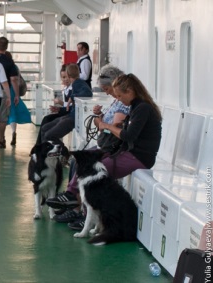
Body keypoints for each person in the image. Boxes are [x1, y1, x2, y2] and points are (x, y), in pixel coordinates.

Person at [48, 73, 162, 230]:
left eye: (120, 95)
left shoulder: (143, 108)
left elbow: (129, 135)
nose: (119, 99)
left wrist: (107, 126)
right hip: (128, 151)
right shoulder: (136, 106)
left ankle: (84, 212)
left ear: (130, 91)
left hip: (140, 157)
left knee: (95, 170)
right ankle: (75, 201)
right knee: (85, 160)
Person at [49, 65, 130, 223]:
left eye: (107, 88)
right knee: (75, 161)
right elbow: (104, 125)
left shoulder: (122, 104)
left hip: (111, 149)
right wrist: (98, 115)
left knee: (83, 163)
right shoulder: (116, 102)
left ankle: (75, 203)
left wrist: (100, 122)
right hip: (105, 145)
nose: (106, 92)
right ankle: (73, 204)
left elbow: (115, 129)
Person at [40, 64, 92, 143]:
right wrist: (60, 109)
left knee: (48, 135)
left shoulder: (78, 83)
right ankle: (43, 150)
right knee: (44, 128)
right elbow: (73, 107)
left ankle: (60, 150)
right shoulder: (77, 83)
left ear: (68, 75)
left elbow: (88, 93)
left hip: (73, 119)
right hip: (70, 115)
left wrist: (72, 97)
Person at [0, 37, 20, 148]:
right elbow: (13, 79)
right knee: (2, 118)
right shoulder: (9, 61)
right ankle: (1, 139)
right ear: (6, 47)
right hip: (3, 92)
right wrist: (16, 95)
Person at [34, 64, 72, 145]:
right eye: (63, 77)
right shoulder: (66, 89)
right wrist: (58, 109)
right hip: (65, 112)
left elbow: (71, 106)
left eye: (67, 77)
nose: (65, 79)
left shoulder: (73, 89)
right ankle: (40, 145)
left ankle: (41, 146)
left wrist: (60, 103)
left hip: (68, 114)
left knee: (47, 121)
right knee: (46, 119)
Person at [2, 51, 31, 146]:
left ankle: (1, 137)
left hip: (5, 91)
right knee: (13, 112)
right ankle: (14, 132)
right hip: (14, 91)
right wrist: (17, 95)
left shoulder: (2, 67)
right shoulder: (15, 67)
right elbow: (16, 79)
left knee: (3, 113)